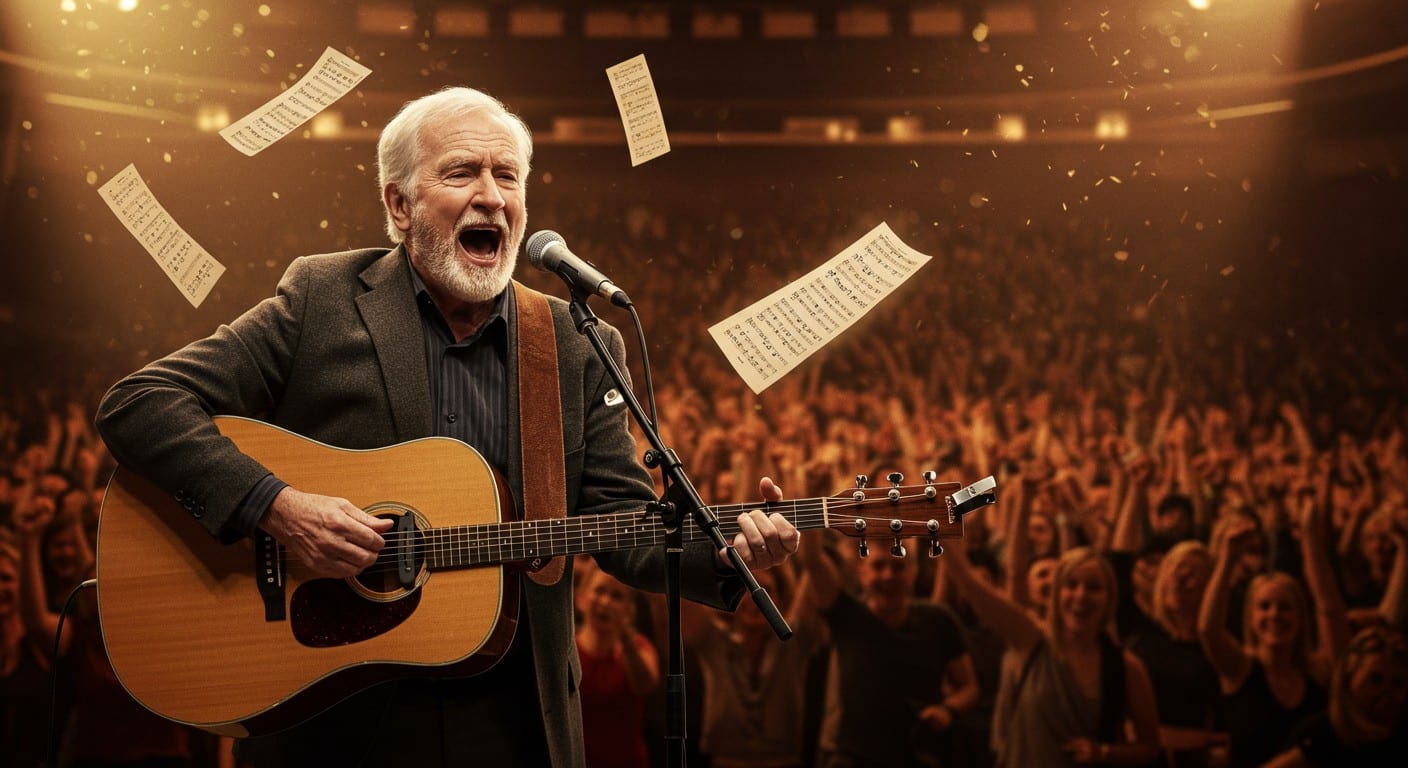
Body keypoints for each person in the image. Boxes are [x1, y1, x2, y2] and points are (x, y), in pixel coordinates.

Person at [94, 86, 799, 768]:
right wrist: (276, 508)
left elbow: (619, 522)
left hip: (515, 724)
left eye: (508, 176)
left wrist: (728, 554)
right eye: (462, 171)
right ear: (399, 206)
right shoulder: (323, 298)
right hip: (329, 719)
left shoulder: (576, 341)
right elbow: (140, 402)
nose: (492, 195)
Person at [945, 544, 1161, 767]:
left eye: (1093, 587)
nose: (1081, 595)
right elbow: (967, 581)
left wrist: (1104, 752)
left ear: (1109, 598)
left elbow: (1149, 746)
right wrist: (940, 524)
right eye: (1071, 584)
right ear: (1057, 593)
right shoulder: (1030, 639)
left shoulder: (1126, 666)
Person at [800, 532, 979, 768]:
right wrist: (813, 496)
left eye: (898, 567)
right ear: (862, 573)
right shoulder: (847, 616)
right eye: (878, 566)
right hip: (855, 759)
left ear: (912, 573)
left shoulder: (937, 620)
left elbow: (969, 687)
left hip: (919, 756)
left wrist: (948, 711)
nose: (888, 575)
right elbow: (812, 559)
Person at [1265, 625, 1408, 767]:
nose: (1387, 691)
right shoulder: (1322, 736)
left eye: (1398, 683)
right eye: (1376, 680)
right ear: (1348, 677)